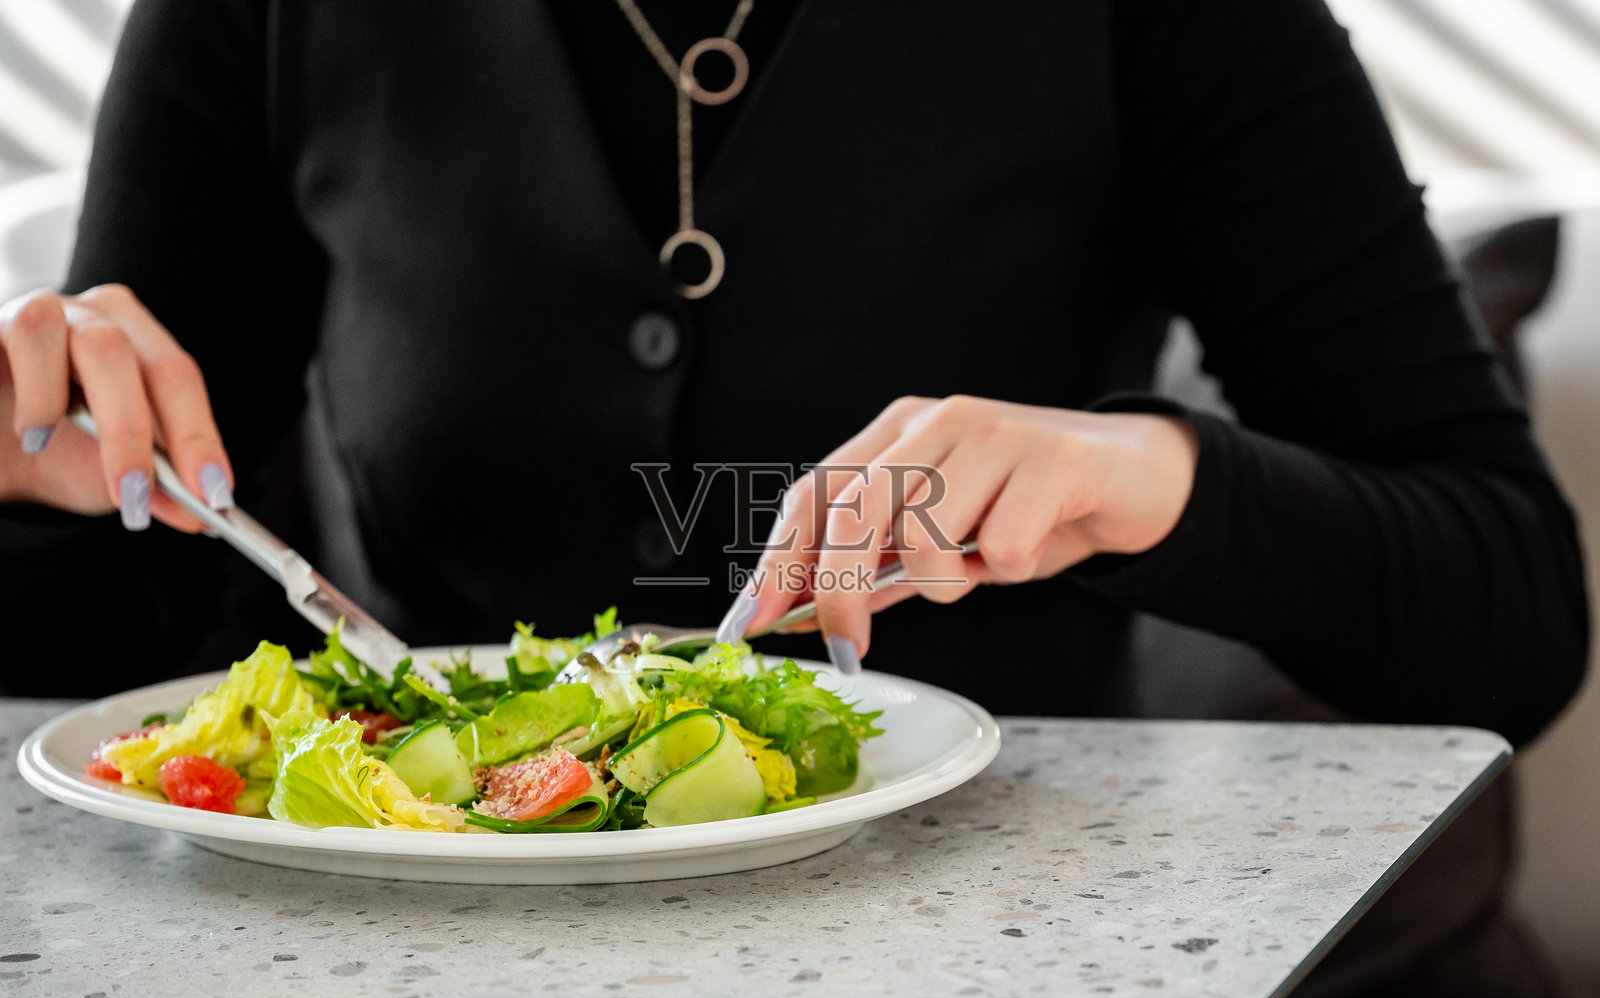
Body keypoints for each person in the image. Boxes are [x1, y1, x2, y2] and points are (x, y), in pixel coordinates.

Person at [0, 0, 1587, 749]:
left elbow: (1507, 616)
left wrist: (1148, 478)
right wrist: (24, 480)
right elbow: (135, 626)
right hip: (422, 975)